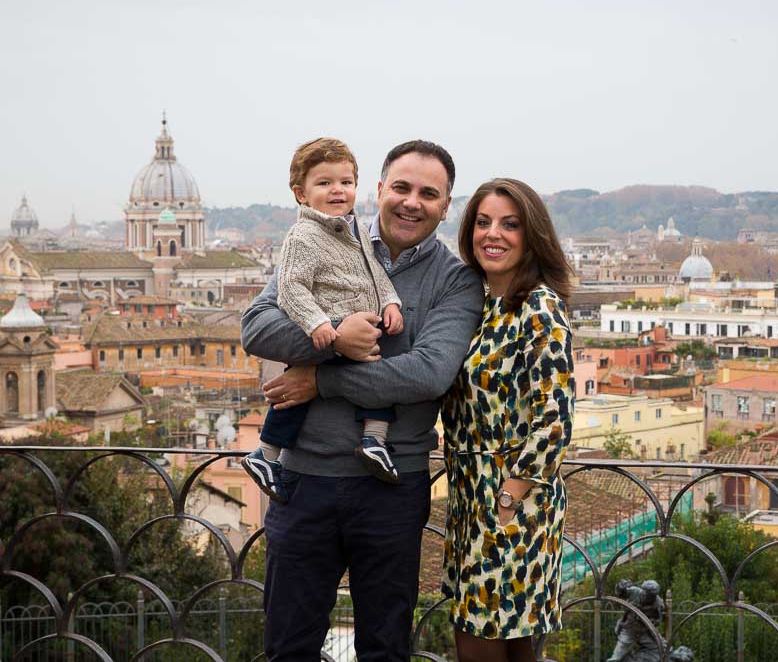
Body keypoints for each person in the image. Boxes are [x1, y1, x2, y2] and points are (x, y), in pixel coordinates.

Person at [241, 141, 485, 662]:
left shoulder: (457, 280)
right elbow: (258, 325)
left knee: (385, 649)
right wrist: (336, 336)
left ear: (446, 206)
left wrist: (320, 381)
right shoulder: (318, 239)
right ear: (378, 191)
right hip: (302, 482)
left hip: (392, 487)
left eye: (428, 193)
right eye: (401, 187)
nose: (411, 202)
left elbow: (428, 373)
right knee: (288, 647)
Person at [441, 178, 575, 662]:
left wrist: (506, 499)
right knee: (511, 650)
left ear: (531, 235)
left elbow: (555, 416)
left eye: (509, 224)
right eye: (482, 222)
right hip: (471, 498)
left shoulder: (538, 306)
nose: (492, 234)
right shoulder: (475, 307)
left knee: (478, 648)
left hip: (511, 502)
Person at [242, 138, 405, 501]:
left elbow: (376, 275)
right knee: (297, 397)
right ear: (301, 193)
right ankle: (267, 454)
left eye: (345, 183)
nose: (337, 190)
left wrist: (391, 302)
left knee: (376, 374)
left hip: (357, 326)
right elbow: (291, 289)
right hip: (325, 329)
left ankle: (373, 440)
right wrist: (321, 326)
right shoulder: (302, 236)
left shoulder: (355, 229)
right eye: (325, 183)